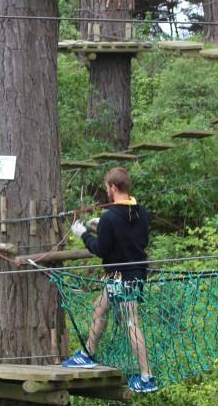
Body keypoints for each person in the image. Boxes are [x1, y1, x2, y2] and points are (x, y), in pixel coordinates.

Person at [60, 167, 158, 393]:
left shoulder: (110, 217)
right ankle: (88, 353)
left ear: (113, 187)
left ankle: (146, 377)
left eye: (107, 188)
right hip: (133, 273)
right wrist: (100, 225)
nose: (107, 191)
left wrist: (84, 234)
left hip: (122, 277)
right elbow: (133, 237)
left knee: (131, 323)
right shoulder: (140, 212)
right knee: (100, 308)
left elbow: (100, 248)